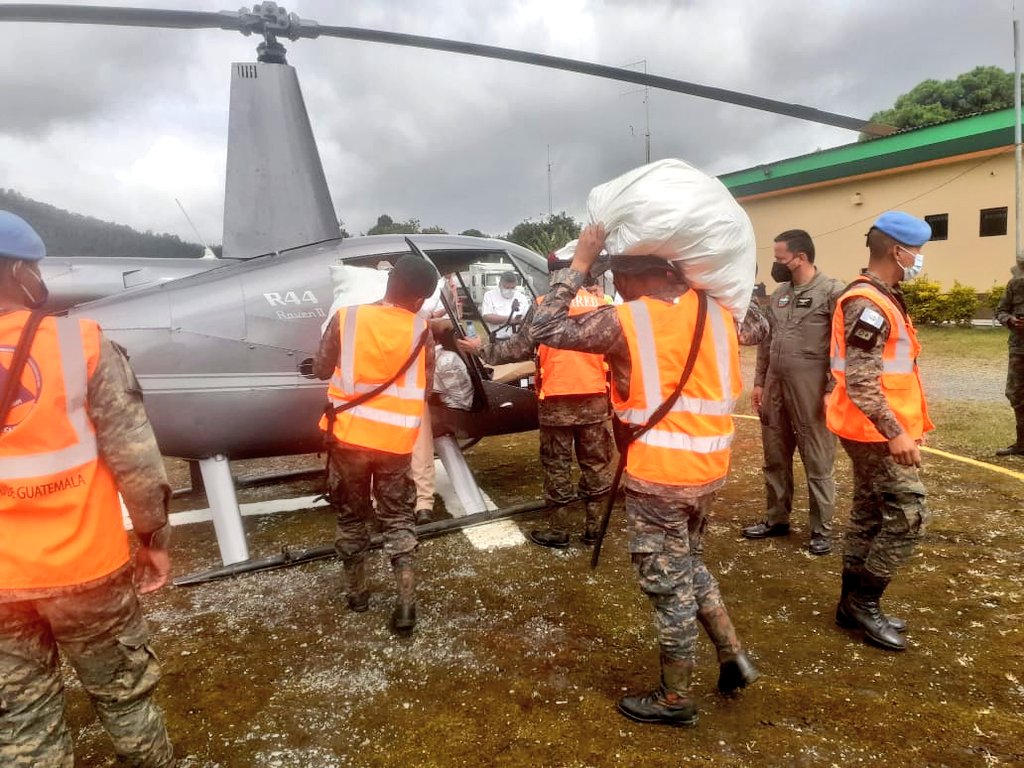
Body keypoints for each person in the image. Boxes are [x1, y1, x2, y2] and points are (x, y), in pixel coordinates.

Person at [530, 224, 762, 728]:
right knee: (689, 565)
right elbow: (760, 320)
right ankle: (732, 655)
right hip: (710, 471)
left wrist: (580, 265)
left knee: (668, 586)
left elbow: (543, 328)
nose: (620, 289)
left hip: (659, 475)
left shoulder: (626, 321)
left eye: (623, 279)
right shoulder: (723, 314)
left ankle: (675, 698)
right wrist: (707, 278)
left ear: (646, 276)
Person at [0, 211, 174, 766]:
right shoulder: (80, 345)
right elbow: (137, 460)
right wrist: (154, 539)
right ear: (22, 270)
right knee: (125, 697)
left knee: (22, 719)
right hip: (86, 569)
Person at [314, 254, 439, 635]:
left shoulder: (346, 319)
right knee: (397, 518)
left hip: (348, 439)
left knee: (351, 518)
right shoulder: (422, 332)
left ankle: (358, 596)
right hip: (396, 444)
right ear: (419, 300)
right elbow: (427, 387)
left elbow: (321, 368)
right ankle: (405, 604)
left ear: (389, 284)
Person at [827, 211, 933, 652]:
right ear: (897, 251)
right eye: (918, 252)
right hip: (874, 429)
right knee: (909, 515)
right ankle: (865, 604)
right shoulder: (867, 304)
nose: (920, 259)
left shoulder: (884, 295)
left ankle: (848, 605)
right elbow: (862, 379)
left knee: (870, 514)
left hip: (870, 425)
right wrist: (896, 432)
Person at [458, 281, 614, 548]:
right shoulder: (604, 307)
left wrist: (479, 349)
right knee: (596, 464)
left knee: (557, 465)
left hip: (556, 400)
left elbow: (517, 348)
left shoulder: (543, 305)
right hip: (595, 398)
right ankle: (594, 528)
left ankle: (559, 530)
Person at [742, 230, 844, 555]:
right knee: (774, 458)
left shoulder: (832, 292)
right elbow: (766, 342)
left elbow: (843, 347)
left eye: (780, 258)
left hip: (812, 391)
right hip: (775, 387)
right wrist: (759, 382)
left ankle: (821, 530)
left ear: (800, 258)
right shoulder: (780, 293)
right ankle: (776, 519)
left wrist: (832, 388)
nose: (777, 264)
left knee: (817, 461)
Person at [994, 265, 1024, 457]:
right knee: (1016, 394)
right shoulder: (1015, 285)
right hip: (1019, 349)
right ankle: (1022, 445)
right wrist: (1012, 321)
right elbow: (1000, 311)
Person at [481, 271, 528, 341]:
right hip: (497, 340)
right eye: (507, 287)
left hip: (517, 340)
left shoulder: (522, 297)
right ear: (500, 285)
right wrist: (509, 319)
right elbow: (486, 316)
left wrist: (520, 321)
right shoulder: (489, 295)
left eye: (513, 288)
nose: (510, 290)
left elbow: (527, 318)